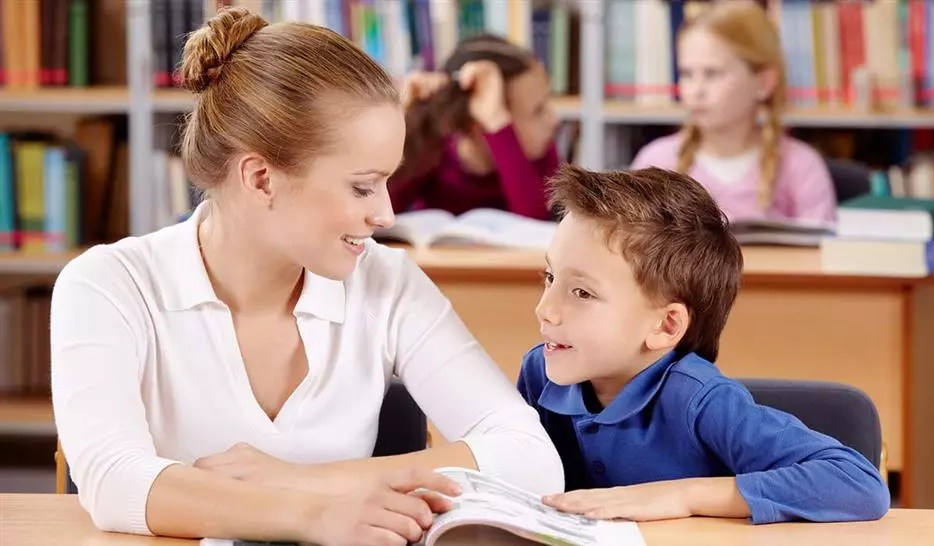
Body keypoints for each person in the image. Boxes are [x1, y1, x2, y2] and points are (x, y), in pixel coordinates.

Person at [49, 8, 563, 546]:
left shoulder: (387, 283)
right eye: (363, 186)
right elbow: (113, 481)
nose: (387, 214)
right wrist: (311, 514)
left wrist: (303, 482)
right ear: (261, 177)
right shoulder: (106, 285)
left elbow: (530, 457)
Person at [516, 164, 891, 524]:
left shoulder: (699, 400)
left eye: (581, 292)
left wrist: (683, 496)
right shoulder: (540, 374)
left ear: (666, 325)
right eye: (550, 276)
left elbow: (859, 485)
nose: (544, 309)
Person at [631, 0, 837, 224]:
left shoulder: (802, 167)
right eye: (687, 74)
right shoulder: (654, 162)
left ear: (764, 82)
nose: (695, 91)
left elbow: (823, 254)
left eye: (712, 74)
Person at [389, 34, 560, 221]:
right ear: (476, 120)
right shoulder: (434, 148)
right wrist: (404, 124)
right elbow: (380, 213)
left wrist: (498, 126)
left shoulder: (542, 155)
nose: (554, 120)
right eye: (537, 111)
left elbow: (536, 223)